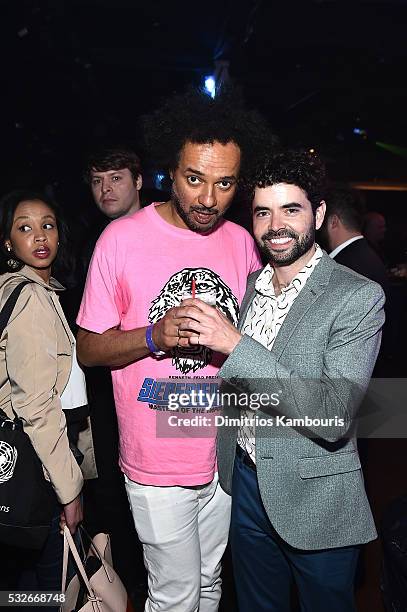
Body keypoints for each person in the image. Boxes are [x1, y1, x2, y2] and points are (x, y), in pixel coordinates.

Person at [76, 86, 271, 611]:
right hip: (157, 458)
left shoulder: (242, 242)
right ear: (169, 171)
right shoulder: (120, 239)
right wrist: (151, 336)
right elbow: (88, 351)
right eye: (194, 179)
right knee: (174, 594)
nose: (208, 199)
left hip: (227, 450)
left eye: (225, 183)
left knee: (211, 583)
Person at [176, 150, 385, 611]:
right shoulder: (248, 286)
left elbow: (333, 414)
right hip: (246, 483)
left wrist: (235, 345)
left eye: (291, 209)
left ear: (319, 213)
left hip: (317, 496)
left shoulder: (357, 297)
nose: (276, 225)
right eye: (263, 212)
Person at [0, 190, 96, 606]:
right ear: (8, 243)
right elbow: (37, 405)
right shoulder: (32, 299)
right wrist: (70, 489)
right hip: (38, 468)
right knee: (47, 589)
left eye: (47, 226)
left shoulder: (20, 289)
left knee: (20, 588)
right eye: (24, 228)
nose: (39, 236)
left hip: (22, 463)